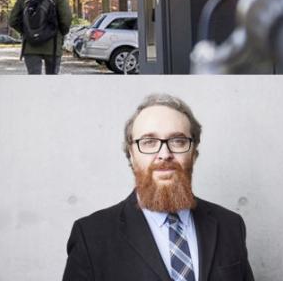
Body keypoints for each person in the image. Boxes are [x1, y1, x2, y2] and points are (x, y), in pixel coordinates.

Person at [62, 94, 254, 281]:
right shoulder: (91, 236)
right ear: (131, 155)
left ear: (194, 153)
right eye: (149, 142)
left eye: (178, 141)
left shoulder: (230, 225)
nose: (164, 154)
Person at [8, 0, 71, 74]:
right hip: (53, 45)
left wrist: (27, 31)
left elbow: (13, 20)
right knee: (51, 84)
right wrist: (60, 33)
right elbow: (66, 20)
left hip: (31, 45)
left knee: (34, 83)